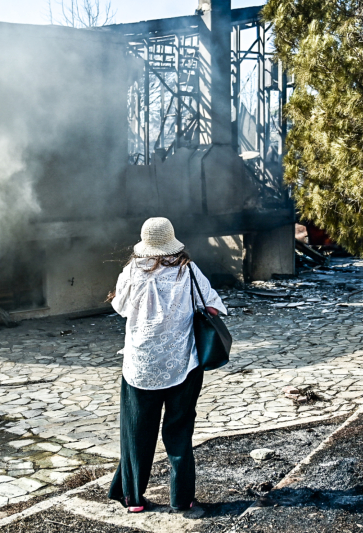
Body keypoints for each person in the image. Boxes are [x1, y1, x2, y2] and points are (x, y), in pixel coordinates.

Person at [107, 217, 227, 513]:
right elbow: (212, 308)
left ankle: (133, 498)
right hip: (182, 363)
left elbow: (120, 307)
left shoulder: (131, 271)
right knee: (179, 430)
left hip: (140, 367)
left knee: (136, 432)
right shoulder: (188, 270)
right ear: (172, 242)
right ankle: (181, 498)